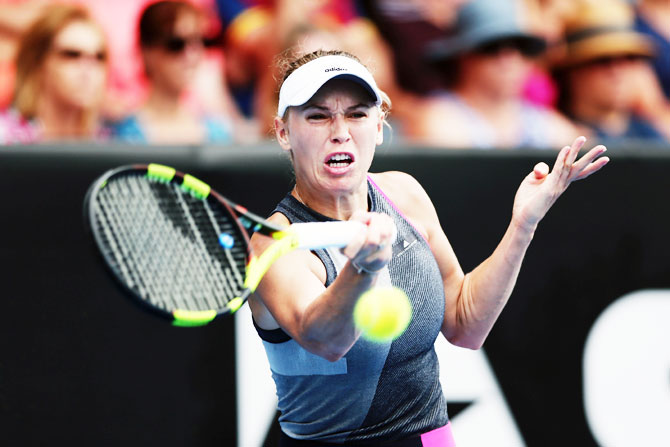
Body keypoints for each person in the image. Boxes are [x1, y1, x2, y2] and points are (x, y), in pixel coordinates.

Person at [248, 49, 609, 445]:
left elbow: (465, 322)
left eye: (357, 113)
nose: (340, 130)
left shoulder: (403, 193)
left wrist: (523, 224)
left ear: (381, 123)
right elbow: (325, 340)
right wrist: (363, 270)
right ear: (283, 132)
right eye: (318, 116)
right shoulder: (274, 242)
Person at [417, 0, 578, 149]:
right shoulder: (439, 119)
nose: (510, 59)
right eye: (492, 47)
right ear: (462, 57)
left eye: (522, 47)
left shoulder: (551, 126)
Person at [111, 0, 234, 144]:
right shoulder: (120, 134)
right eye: (176, 44)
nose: (191, 55)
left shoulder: (218, 132)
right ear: (147, 51)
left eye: (199, 42)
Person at [551, 0, 668, 143]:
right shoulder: (553, 135)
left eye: (629, 58)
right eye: (603, 60)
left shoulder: (651, 135)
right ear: (572, 70)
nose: (617, 70)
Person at [0, 3, 110, 144]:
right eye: (72, 55)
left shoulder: (112, 140)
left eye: (99, 57)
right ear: (38, 62)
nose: (88, 69)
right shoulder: (5, 137)